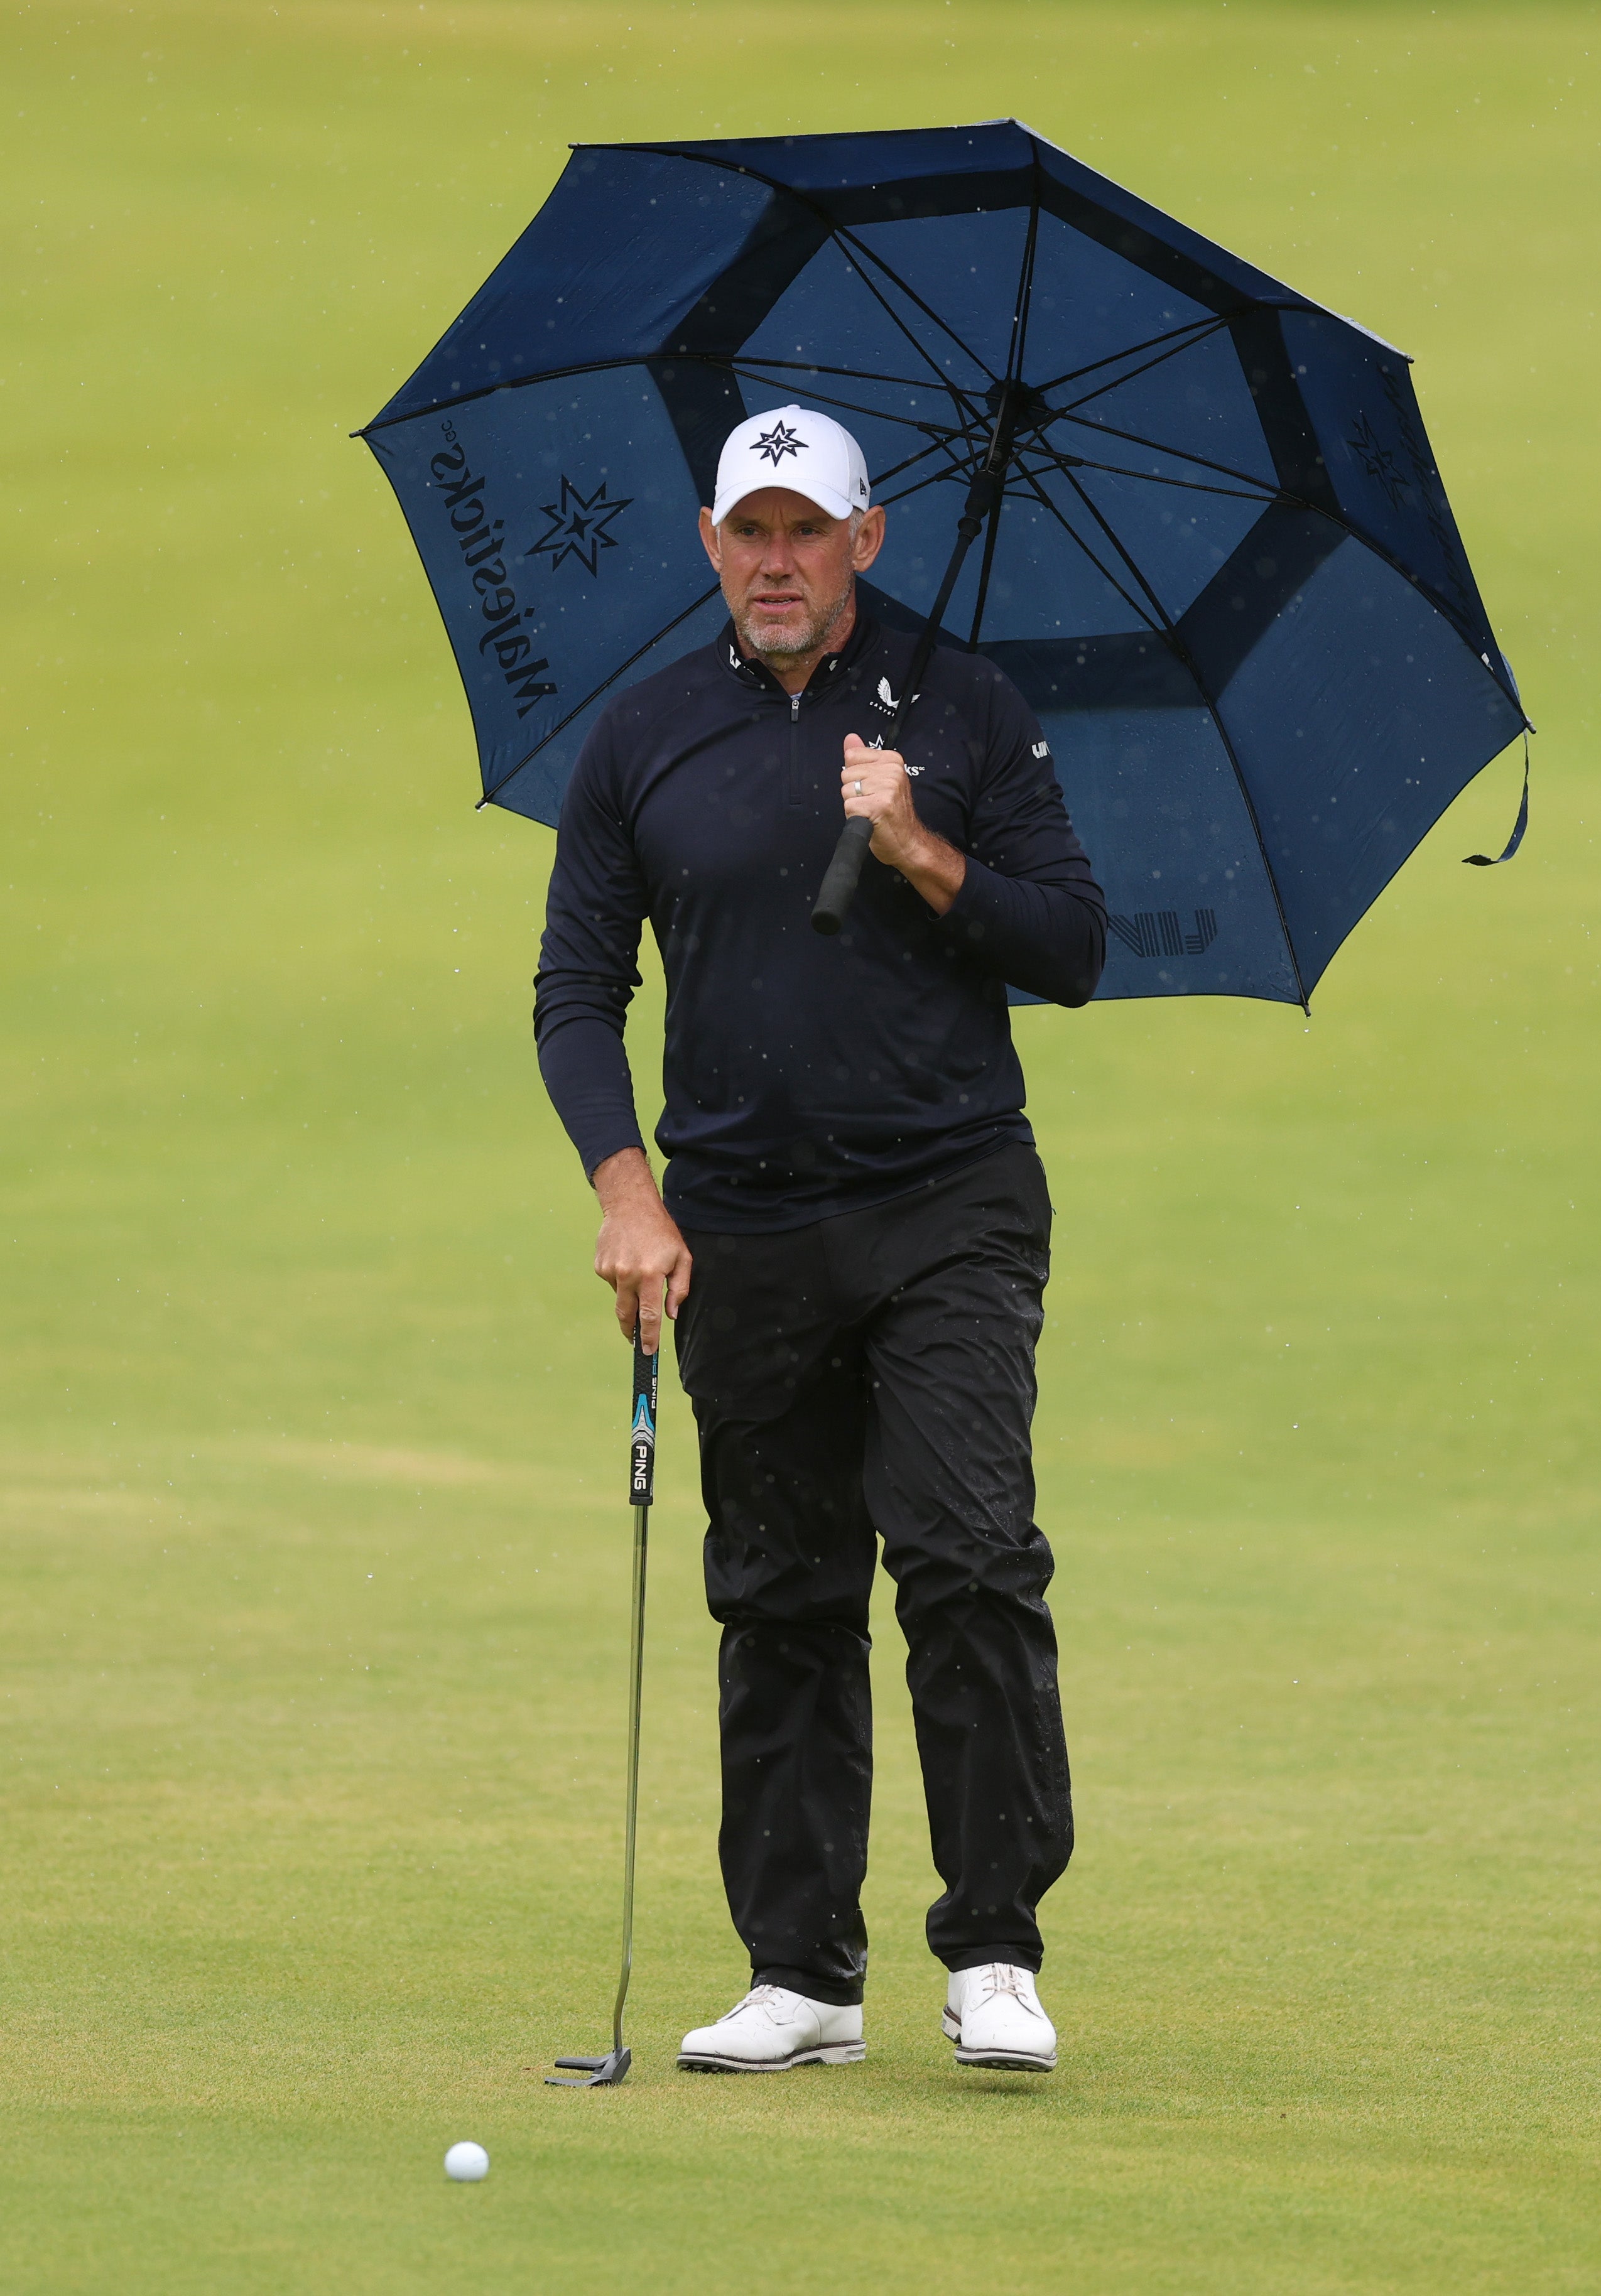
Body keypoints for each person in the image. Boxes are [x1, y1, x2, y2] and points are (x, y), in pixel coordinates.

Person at [534, 404, 1105, 2076]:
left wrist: (924, 847)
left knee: (967, 1555)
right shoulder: (643, 736)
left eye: (807, 530)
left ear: (867, 539)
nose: (773, 562)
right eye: (747, 530)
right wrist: (623, 1189)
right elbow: (579, 987)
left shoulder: (968, 709)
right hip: (741, 1224)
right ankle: (802, 1975)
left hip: (947, 1205)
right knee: (777, 1593)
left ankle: (992, 1953)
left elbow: (1068, 948)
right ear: (710, 542)